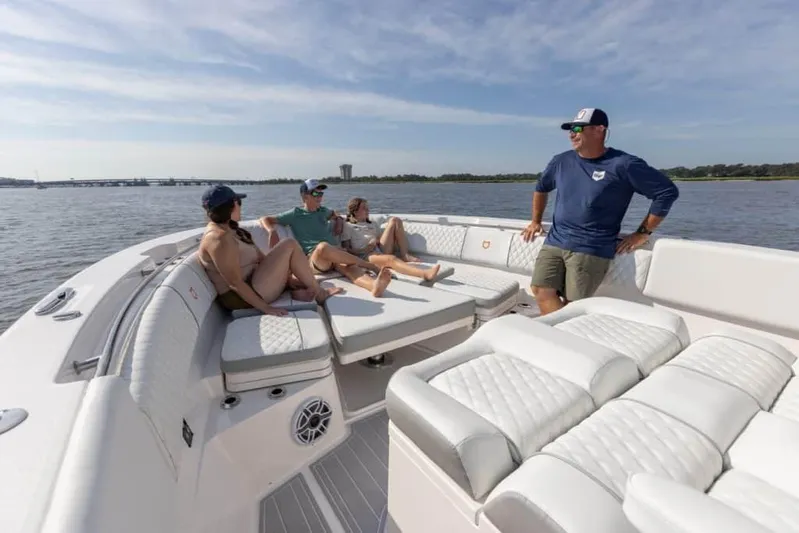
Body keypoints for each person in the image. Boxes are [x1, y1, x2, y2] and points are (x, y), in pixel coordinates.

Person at [522, 107, 679, 315]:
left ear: (599, 130)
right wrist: (535, 221)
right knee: (540, 290)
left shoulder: (624, 164)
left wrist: (642, 232)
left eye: (578, 128)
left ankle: (563, 338)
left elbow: (666, 192)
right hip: (555, 240)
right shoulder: (561, 161)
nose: (572, 133)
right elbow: (541, 187)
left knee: (574, 304)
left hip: (590, 246)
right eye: (570, 129)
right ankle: (560, 335)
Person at [197, 184, 342, 316]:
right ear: (232, 205)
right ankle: (319, 294)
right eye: (239, 202)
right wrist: (266, 308)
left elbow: (262, 260)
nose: (241, 206)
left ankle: (295, 290)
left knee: (289, 252)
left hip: (257, 283)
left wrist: (287, 279)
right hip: (243, 298)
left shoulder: (234, 231)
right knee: (289, 244)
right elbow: (234, 283)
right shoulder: (218, 239)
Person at [260, 179, 393, 297]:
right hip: (315, 258)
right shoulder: (295, 214)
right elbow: (265, 218)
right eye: (316, 193)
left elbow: (335, 214)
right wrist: (271, 230)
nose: (320, 197)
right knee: (323, 247)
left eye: (321, 193)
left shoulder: (323, 211)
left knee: (351, 269)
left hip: (336, 254)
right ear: (305, 196)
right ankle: (370, 265)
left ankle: (374, 286)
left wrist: (339, 221)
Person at [342, 197, 445, 283]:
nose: (368, 210)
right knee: (391, 259)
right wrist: (364, 249)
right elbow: (346, 250)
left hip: (378, 248)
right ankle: (425, 274)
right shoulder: (348, 226)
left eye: (367, 207)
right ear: (355, 211)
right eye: (364, 208)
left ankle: (405, 255)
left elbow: (379, 237)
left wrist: (376, 241)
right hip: (365, 256)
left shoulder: (372, 224)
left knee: (395, 220)